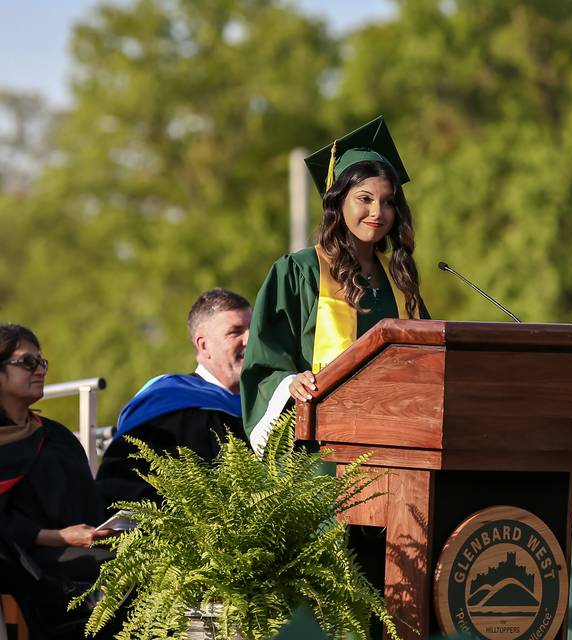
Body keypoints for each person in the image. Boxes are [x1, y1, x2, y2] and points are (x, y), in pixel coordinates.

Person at [241, 115, 430, 452]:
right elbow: (265, 361)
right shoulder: (298, 272)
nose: (378, 212)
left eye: (388, 202)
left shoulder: (399, 279)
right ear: (337, 201)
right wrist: (289, 383)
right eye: (365, 198)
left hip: (393, 444)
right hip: (321, 452)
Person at [0, 323, 116, 639]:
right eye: (27, 362)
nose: (39, 370)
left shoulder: (56, 436)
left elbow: (88, 498)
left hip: (79, 548)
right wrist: (60, 537)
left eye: (41, 362)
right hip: (28, 562)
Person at [95, 288, 252, 508]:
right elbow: (123, 489)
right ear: (203, 345)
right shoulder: (167, 402)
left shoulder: (267, 404)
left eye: (253, 330)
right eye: (235, 332)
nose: (250, 340)